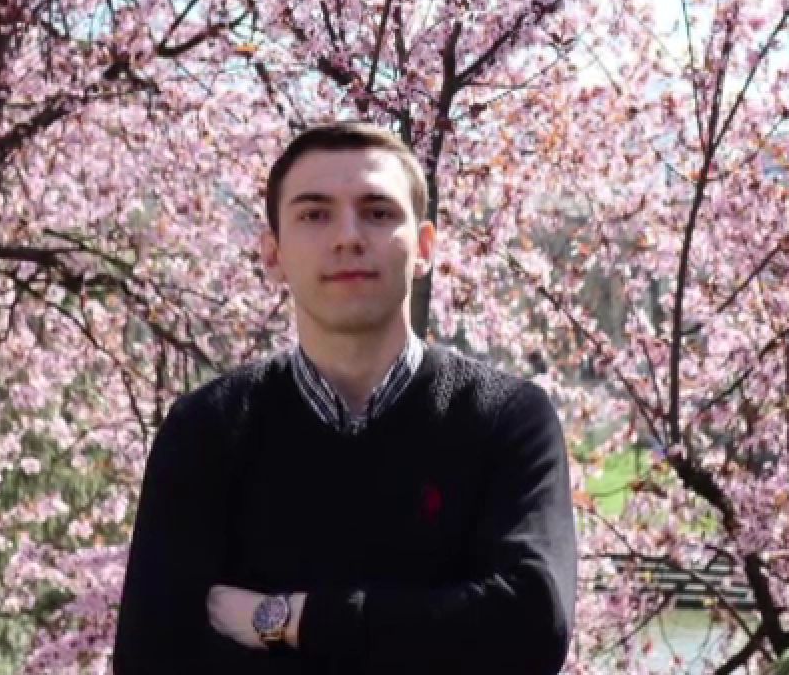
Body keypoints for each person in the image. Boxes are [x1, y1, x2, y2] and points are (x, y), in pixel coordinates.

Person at [113, 122, 577, 674]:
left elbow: (531, 626)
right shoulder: (208, 428)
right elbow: (152, 659)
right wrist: (434, 632)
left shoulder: (504, 418)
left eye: (378, 213)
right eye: (315, 215)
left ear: (425, 248)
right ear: (272, 253)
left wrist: (291, 620)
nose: (348, 237)